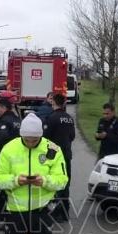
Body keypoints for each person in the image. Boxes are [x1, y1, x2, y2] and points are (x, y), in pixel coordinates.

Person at [43, 93, 75, 221]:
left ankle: (57, 211)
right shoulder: (69, 118)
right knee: (65, 183)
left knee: (54, 183)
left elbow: (45, 138)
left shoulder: (51, 118)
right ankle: (65, 211)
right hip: (66, 154)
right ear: (64, 103)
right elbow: (72, 136)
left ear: (53, 103)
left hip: (53, 155)